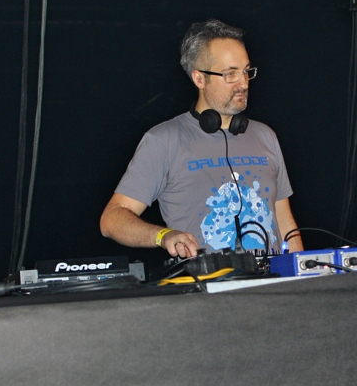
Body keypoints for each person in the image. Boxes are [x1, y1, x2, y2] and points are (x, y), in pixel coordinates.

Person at [100, 19, 303, 258]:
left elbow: (284, 221)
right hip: (207, 281)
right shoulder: (163, 140)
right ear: (199, 79)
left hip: (275, 281)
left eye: (246, 71)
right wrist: (163, 236)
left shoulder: (265, 136)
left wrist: (303, 272)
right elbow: (111, 220)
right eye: (230, 74)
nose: (243, 83)